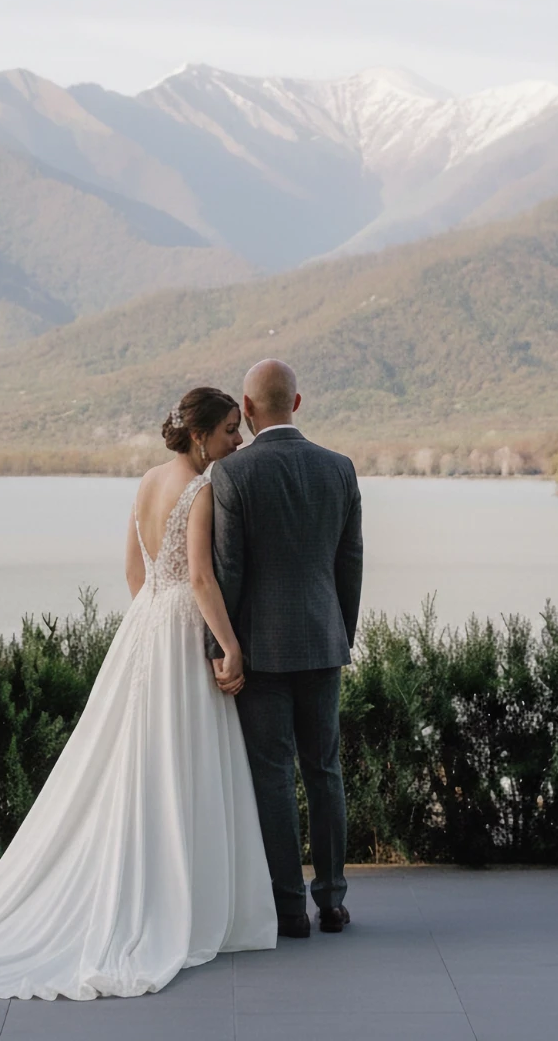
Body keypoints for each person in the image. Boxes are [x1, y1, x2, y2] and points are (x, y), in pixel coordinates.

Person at [0, 386, 276, 999]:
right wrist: (227, 647)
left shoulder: (148, 481)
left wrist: (151, 622)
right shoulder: (202, 490)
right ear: (200, 435)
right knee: (180, 759)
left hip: (145, 624)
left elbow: (133, 572)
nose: (238, 440)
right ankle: (179, 901)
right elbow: (201, 578)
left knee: (137, 759)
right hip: (178, 627)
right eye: (231, 429)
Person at [210, 359, 363, 937]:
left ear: (246, 410)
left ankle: (288, 908)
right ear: (296, 404)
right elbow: (350, 566)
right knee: (325, 770)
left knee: (272, 775)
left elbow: (228, 574)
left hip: (260, 651)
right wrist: (338, 635)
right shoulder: (340, 469)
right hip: (323, 643)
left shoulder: (233, 475)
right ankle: (332, 900)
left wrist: (221, 650)